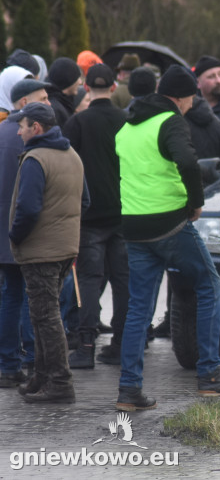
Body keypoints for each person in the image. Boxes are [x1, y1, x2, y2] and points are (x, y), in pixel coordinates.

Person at [114, 65, 220, 411]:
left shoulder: (128, 126)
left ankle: (129, 390)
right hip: (171, 224)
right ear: (180, 96)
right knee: (211, 285)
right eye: (192, 96)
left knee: (139, 309)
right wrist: (195, 203)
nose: (194, 102)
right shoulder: (171, 120)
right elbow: (188, 164)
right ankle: (210, 375)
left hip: (134, 226)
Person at [9, 102, 89, 403]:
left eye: (23, 125)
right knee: (44, 314)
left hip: (40, 249)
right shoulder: (72, 156)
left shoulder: (35, 159)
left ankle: (59, 381)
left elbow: (27, 209)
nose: (19, 131)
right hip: (66, 247)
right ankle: (41, 377)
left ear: (36, 128)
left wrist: (15, 236)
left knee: (46, 315)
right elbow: (85, 201)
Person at [62, 64, 129, 369]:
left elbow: (65, 166)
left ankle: (86, 346)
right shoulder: (126, 121)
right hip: (123, 213)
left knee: (89, 280)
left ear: (86, 87)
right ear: (114, 87)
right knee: (122, 280)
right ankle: (121, 344)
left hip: (88, 216)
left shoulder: (77, 123)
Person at [0, 79, 49, 389]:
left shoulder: (2, 132)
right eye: (42, 98)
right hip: (27, 232)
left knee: (11, 296)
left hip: (4, 234)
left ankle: (7, 363)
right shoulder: (30, 136)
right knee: (35, 298)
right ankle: (33, 361)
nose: (48, 102)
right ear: (23, 103)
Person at [43, 57, 82, 128]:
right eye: (77, 78)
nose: (80, 82)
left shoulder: (64, 103)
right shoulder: (56, 110)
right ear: (67, 80)